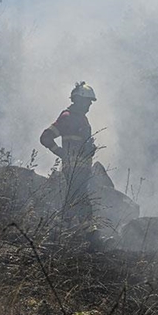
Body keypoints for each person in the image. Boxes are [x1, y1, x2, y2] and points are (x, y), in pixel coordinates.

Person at [40, 81, 99, 244]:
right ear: (78, 100)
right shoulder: (67, 117)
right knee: (80, 198)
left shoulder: (83, 119)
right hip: (73, 167)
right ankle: (90, 234)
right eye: (87, 102)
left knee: (75, 198)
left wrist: (89, 148)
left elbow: (82, 143)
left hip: (83, 167)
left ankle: (63, 230)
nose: (89, 106)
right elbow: (45, 137)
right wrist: (60, 153)